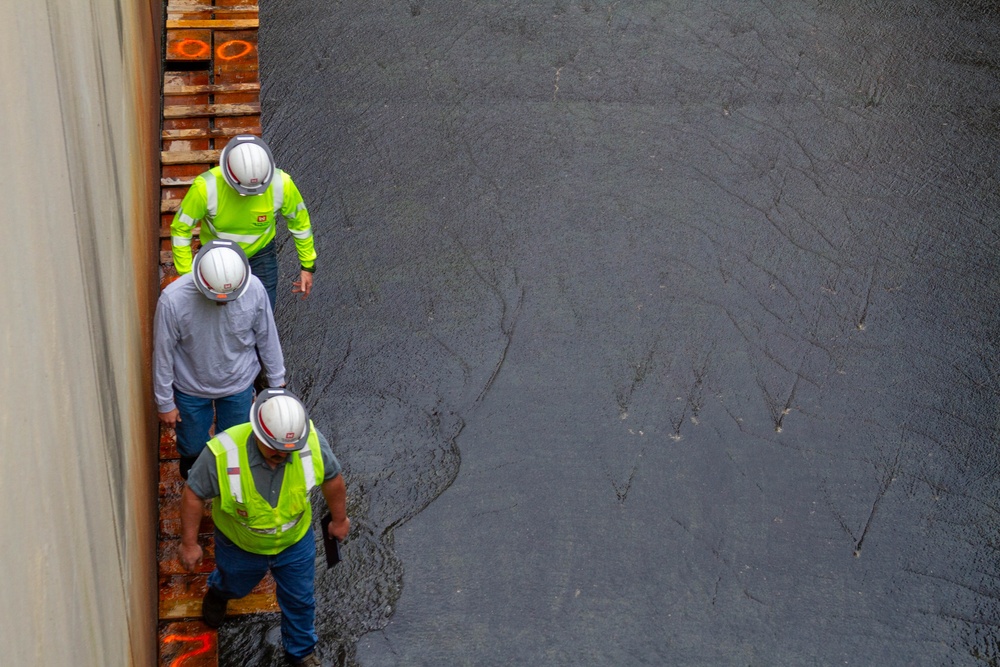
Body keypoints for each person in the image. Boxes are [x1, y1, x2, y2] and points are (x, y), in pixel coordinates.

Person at [179, 389, 350, 667]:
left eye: (288, 450)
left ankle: (301, 653)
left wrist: (339, 520)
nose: (283, 455)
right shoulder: (222, 453)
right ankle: (220, 591)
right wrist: (189, 543)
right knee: (235, 584)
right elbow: (194, 493)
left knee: (300, 600)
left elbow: (332, 478)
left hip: (294, 542)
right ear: (258, 434)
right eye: (276, 449)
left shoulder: (311, 443)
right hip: (240, 545)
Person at [154, 240, 286, 479]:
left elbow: (267, 335)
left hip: (238, 386)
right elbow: (163, 353)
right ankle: (198, 490)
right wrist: (165, 403)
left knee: (235, 448)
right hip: (190, 389)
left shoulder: (254, 289)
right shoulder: (173, 301)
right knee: (193, 452)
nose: (224, 302)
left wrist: (277, 382)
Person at [170, 134, 317, 311]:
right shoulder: (206, 188)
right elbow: (181, 230)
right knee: (218, 317)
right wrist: (188, 277)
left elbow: (300, 224)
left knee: (264, 314)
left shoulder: (281, 184)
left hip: (260, 254)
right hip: (217, 260)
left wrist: (307, 265)